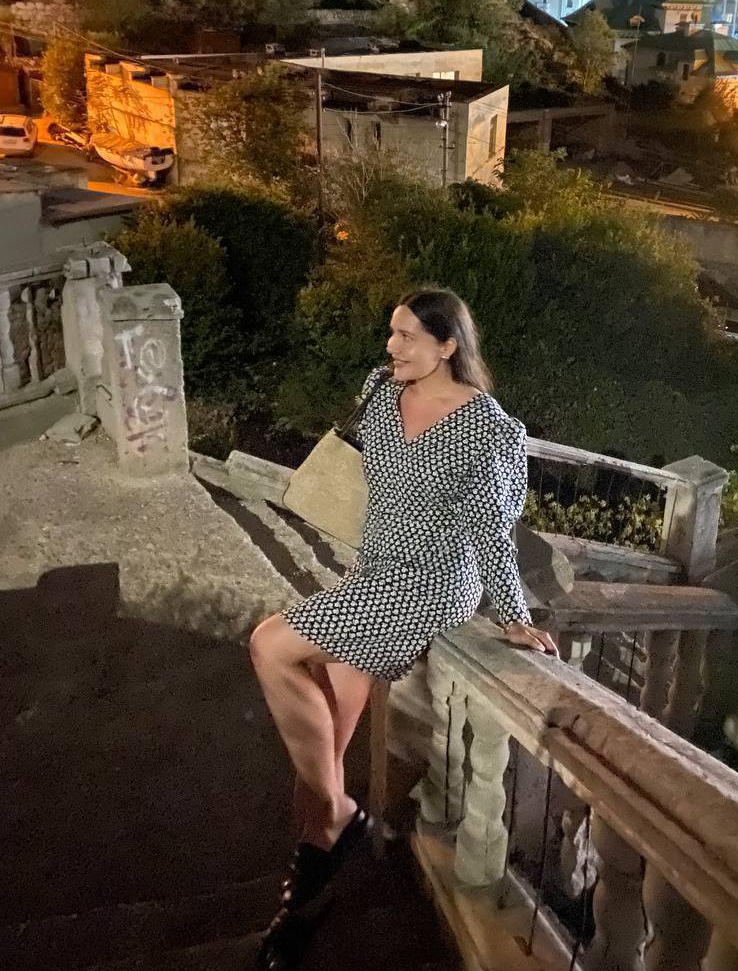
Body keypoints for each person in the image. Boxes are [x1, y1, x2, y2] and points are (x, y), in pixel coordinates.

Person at [249, 286, 558, 969]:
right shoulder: (379, 389)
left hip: (431, 584)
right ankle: (305, 897)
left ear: (448, 346)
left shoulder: (489, 429)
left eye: (408, 336)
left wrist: (513, 616)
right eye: (391, 333)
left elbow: (492, 532)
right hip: (374, 572)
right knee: (321, 745)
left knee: (270, 644)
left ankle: (340, 819)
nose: (392, 347)